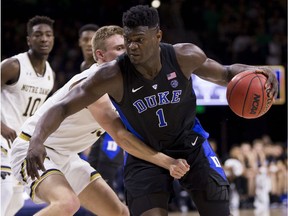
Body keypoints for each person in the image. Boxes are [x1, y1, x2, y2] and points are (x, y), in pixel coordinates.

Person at [22, 5, 278, 216]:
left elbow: (225, 73)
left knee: (219, 209)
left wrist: (258, 71)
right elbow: (63, 105)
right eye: (129, 41)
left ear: (158, 36)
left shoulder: (184, 56)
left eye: (139, 40)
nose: (133, 47)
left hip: (191, 145)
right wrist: (37, 138)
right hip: (145, 154)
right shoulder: (111, 75)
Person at [10, 25, 189, 216]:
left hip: (67, 156)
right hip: (33, 149)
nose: (127, 51)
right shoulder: (95, 82)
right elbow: (121, 137)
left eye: (127, 46)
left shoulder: (127, 85)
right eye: (119, 48)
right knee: (67, 204)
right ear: (100, 55)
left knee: (119, 212)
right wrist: (168, 162)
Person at [1, 15, 55, 216]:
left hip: (20, 144)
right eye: (38, 35)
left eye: (48, 35)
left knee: (15, 202)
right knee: (3, 192)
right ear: (28, 39)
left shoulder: (50, 73)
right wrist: (2, 127)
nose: (44, 39)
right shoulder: (13, 65)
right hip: (1, 138)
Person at [78, 23, 125, 195]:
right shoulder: (84, 68)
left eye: (92, 39)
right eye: (85, 40)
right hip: (94, 130)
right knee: (91, 175)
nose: (88, 42)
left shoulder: (114, 65)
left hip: (113, 127)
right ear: (80, 43)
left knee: (106, 173)